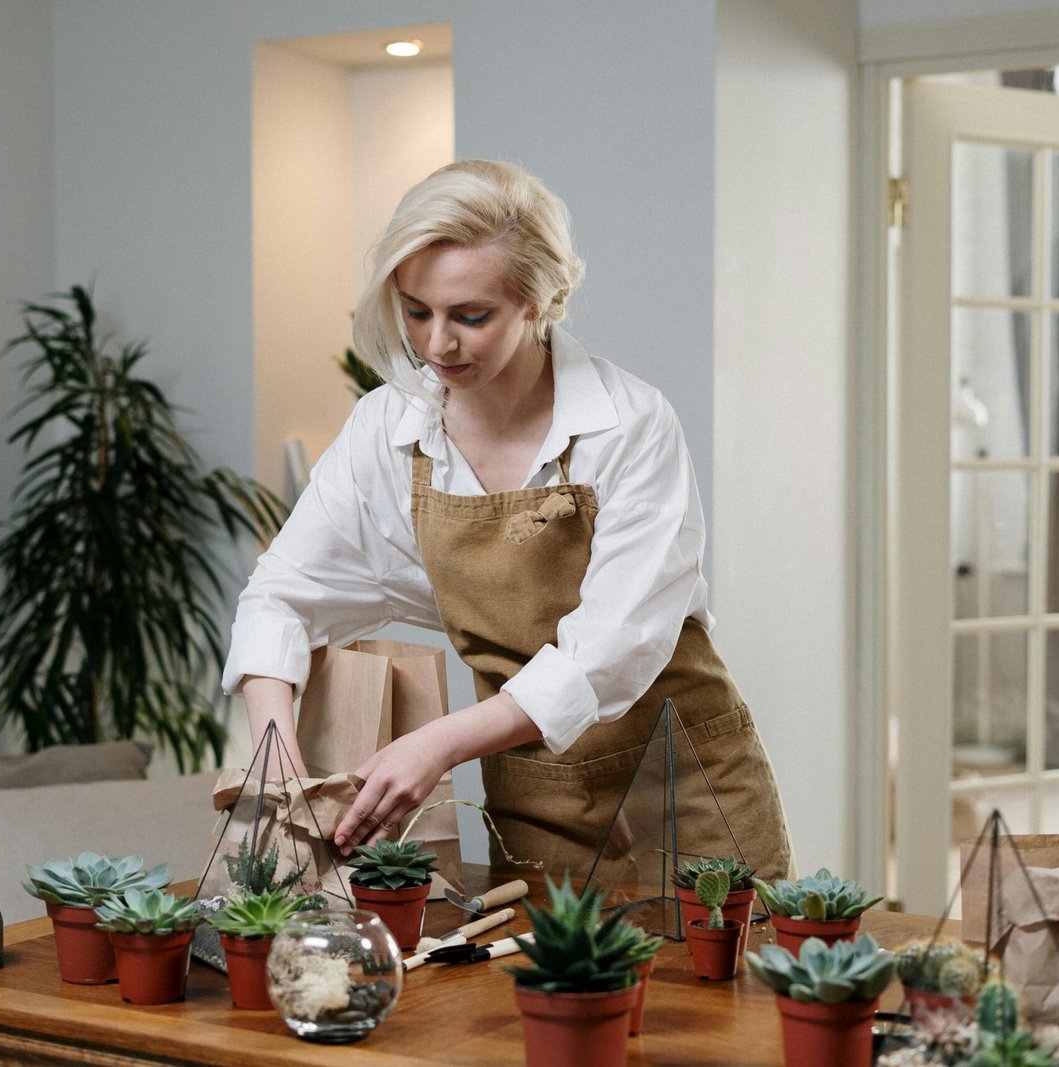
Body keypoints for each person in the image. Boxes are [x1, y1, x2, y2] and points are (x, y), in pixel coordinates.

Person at [222, 159, 792, 879]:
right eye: (416, 310)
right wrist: (282, 771)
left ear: (540, 300)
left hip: (687, 783)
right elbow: (281, 596)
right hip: (534, 796)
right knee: (552, 992)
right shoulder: (387, 430)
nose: (436, 345)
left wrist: (436, 744)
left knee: (726, 992)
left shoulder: (629, 424)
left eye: (471, 316)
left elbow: (609, 654)